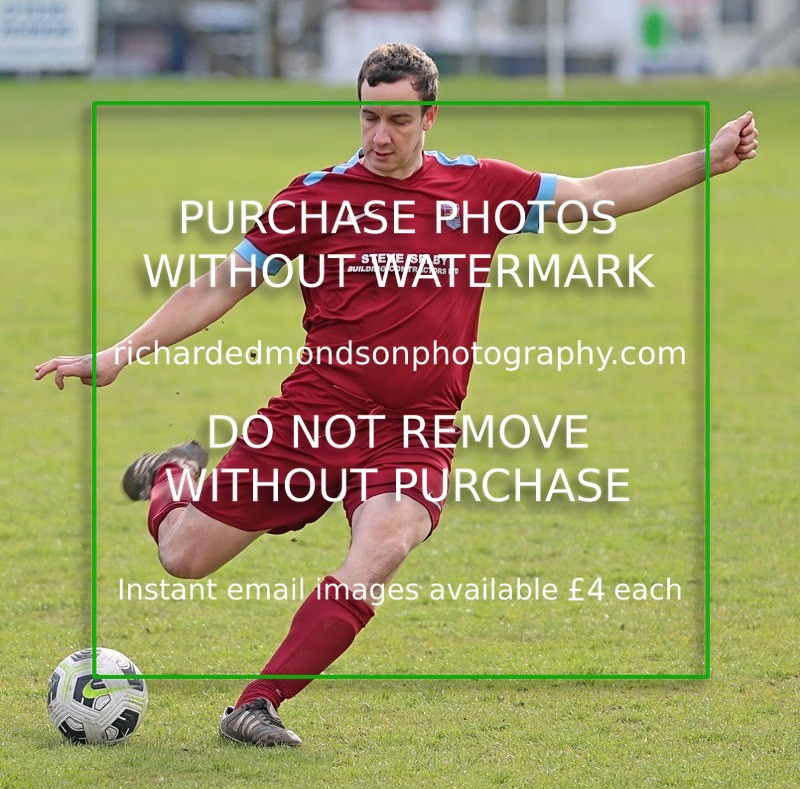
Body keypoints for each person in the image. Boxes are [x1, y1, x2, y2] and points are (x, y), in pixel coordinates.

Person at [35, 43, 758, 747]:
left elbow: (598, 194)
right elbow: (220, 284)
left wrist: (709, 160)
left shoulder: (480, 188)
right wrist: (120, 353)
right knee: (184, 556)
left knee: (382, 546)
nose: (381, 136)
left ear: (430, 118)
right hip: (317, 416)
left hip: (417, 429)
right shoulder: (314, 198)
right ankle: (171, 476)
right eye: (369, 118)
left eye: (399, 121)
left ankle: (257, 703)